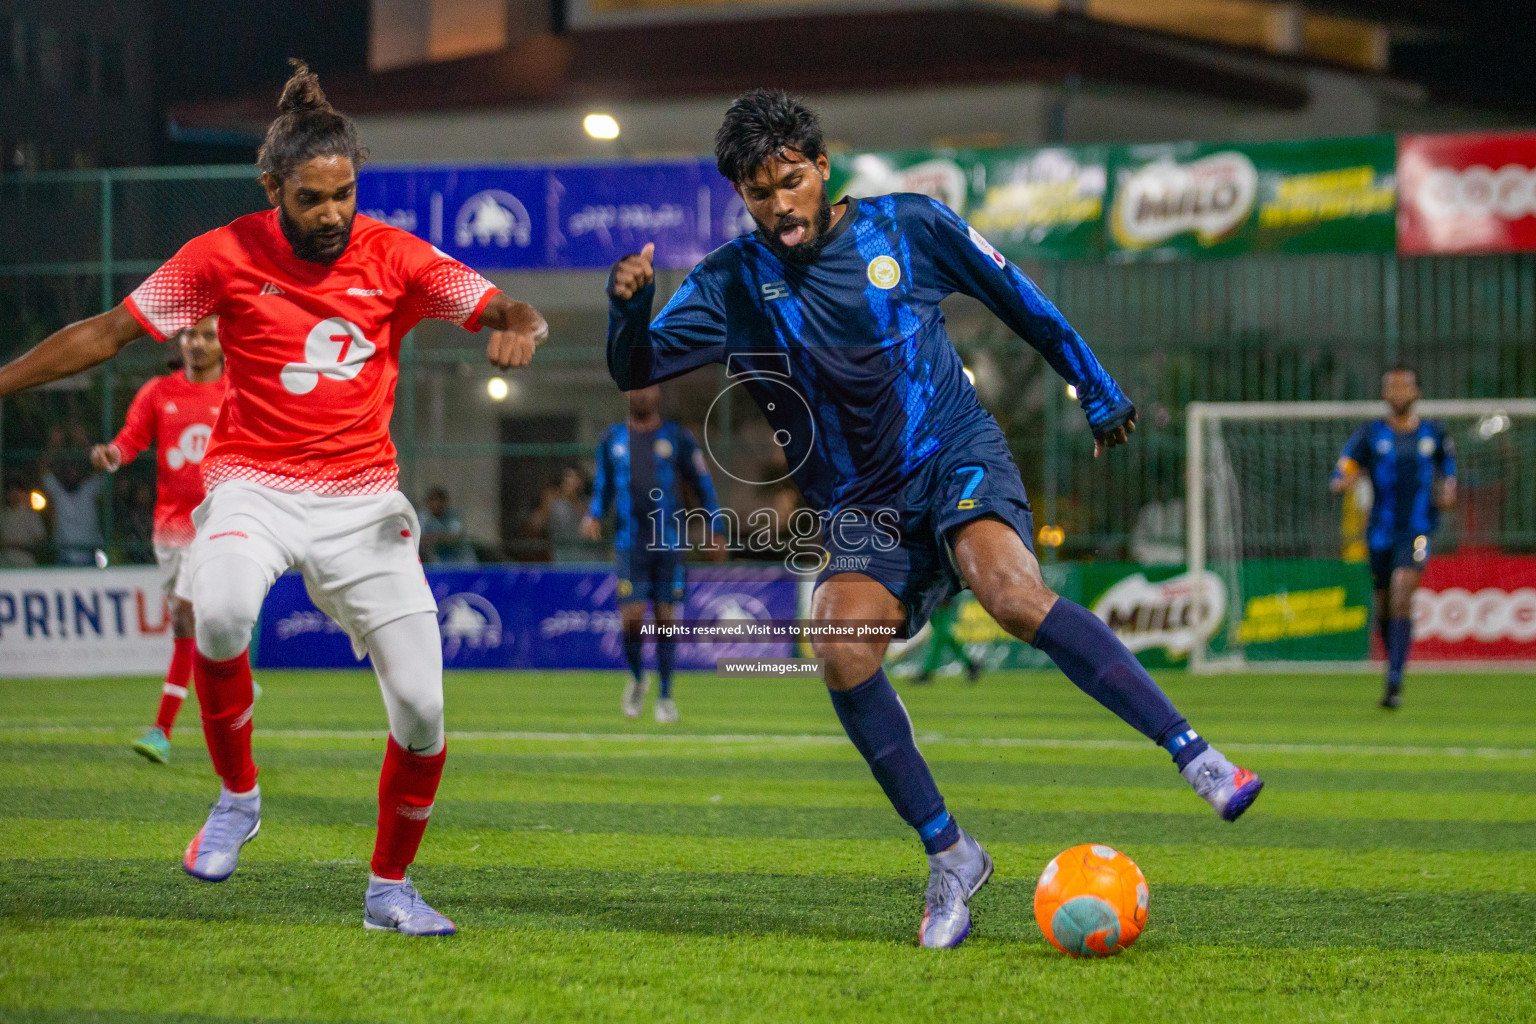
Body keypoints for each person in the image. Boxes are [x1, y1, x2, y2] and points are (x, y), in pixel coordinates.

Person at [606, 89, 1263, 948]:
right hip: (860, 506)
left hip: (951, 453)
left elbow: (1017, 297)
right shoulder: (732, 280)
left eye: (791, 181)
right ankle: (950, 851)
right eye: (758, 194)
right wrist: (628, 305)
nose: (779, 205)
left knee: (1012, 596)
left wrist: (1096, 387)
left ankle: (1196, 755)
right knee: (837, 646)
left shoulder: (907, 226)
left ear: (821, 167)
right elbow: (637, 367)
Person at [0, 61, 547, 936]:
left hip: (365, 502)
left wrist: (522, 325)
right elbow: (106, 333)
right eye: (312, 198)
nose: (332, 214)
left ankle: (388, 892)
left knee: (423, 710)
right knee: (214, 612)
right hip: (252, 486)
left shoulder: (395, 255)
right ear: (273, 189)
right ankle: (237, 797)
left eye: (345, 195)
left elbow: (501, 308)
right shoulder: (222, 256)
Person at [90, 315, 227, 765]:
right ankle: (227, 662)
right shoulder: (159, 392)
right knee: (188, 621)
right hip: (171, 526)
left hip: (223, 520)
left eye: (208, 335)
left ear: (225, 342)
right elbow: (131, 440)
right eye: (191, 334)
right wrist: (114, 454)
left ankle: (161, 730)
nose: (198, 343)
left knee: (188, 618)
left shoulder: (239, 391)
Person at [582, 385, 722, 723]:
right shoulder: (611, 439)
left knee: (666, 620)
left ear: (659, 393)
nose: (642, 395)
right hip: (630, 543)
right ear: (626, 394)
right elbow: (604, 484)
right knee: (631, 619)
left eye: (648, 388)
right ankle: (636, 677)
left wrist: (716, 528)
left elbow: (703, 484)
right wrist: (595, 513)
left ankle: (665, 695)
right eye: (635, 389)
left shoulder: (677, 437)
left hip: (669, 543)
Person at [1331, 365, 1455, 709]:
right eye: (1393, 386)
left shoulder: (1435, 434)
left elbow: (1450, 472)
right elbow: (1343, 468)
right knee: (1384, 602)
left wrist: (1448, 492)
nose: (1399, 392)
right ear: (1385, 393)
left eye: (1405, 386)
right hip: (1380, 532)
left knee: (1402, 591)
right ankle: (1394, 662)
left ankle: (1394, 680)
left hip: (1417, 530)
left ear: (1416, 392)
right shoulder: (1370, 434)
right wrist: (1343, 481)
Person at [40, 428, 106, 566]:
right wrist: (53, 445)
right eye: (68, 470)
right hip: (64, 557)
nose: (72, 473)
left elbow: (103, 468)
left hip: (90, 556)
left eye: (75, 470)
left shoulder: (89, 488)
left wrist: (84, 443)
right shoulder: (58, 491)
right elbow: (43, 469)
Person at [913, 595, 981, 684]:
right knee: (943, 634)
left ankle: (926, 672)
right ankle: (971, 665)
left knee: (939, 635)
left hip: (939, 594)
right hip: (932, 595)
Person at [417, 487, 476, 565]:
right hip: (437, 562)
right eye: (432, 500)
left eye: (439, 500)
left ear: (445, 502)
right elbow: (418, 537)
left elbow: (454, 537)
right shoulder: (423, 517)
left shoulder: (453, 517)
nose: (436, 504)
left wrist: (434, 538)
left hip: (460, 560)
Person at [1, 483, 47, 566]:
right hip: (4, 563)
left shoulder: (30, 514)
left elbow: (40, 539)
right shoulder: (2, 515)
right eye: (10, 491)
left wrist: (18, 544)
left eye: (17, 490)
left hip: (25, 562)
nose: (13, 494)